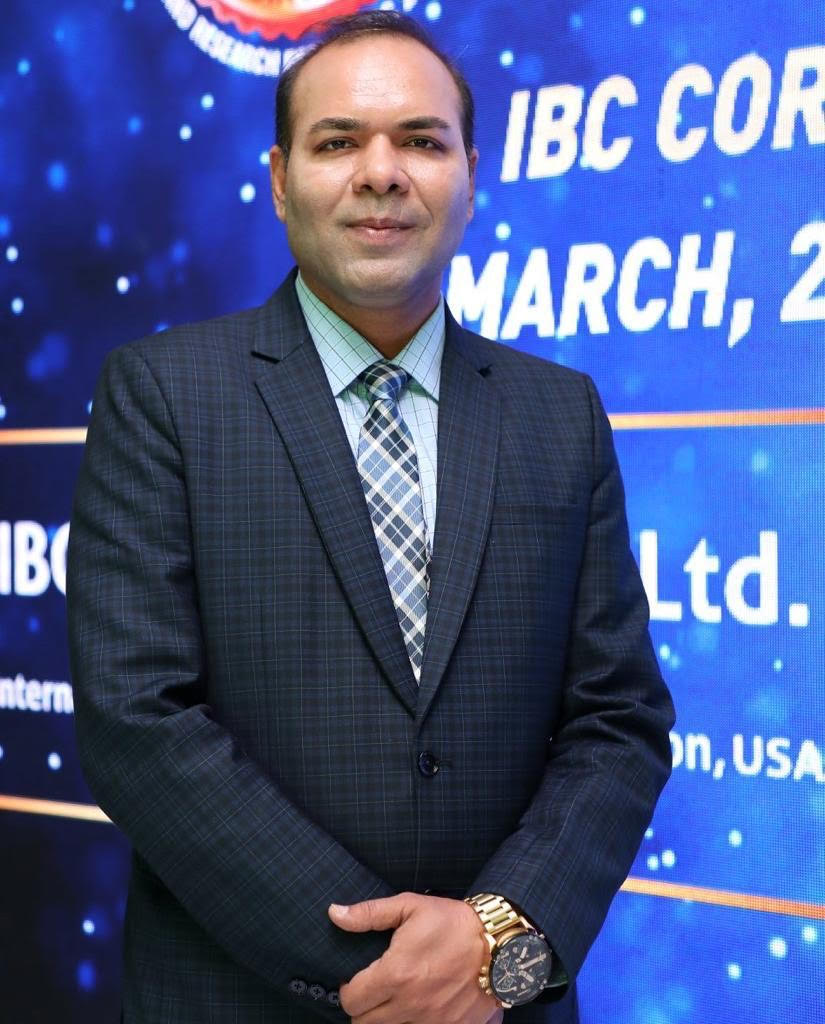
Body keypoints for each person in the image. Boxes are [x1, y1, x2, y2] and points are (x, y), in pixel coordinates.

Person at [66, 11, 675, 1024]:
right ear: (279, 180)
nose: (381, 173)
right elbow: (139, 723)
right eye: (338, 142)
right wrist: (399, 970)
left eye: (421, 141)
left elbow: (618, 719)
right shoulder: (163, 395)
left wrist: (494, 942)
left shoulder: (559, 413)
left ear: (471, 177)